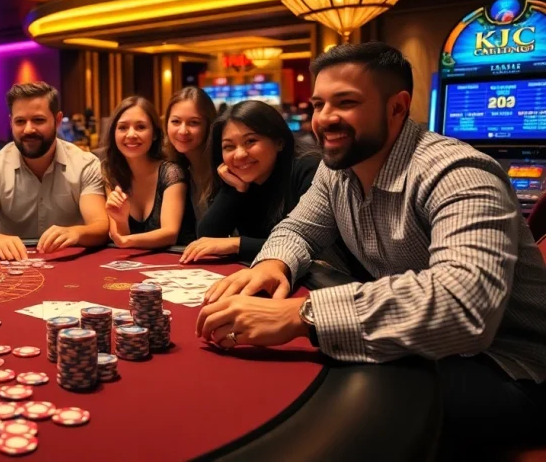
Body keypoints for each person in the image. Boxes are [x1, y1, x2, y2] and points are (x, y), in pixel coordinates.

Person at [194, 42, 546, 455]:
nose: (325, 118)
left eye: (346, 102)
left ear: (397, 107)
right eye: (319, 103)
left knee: (346, 425)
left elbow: (465, 304)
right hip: (425, 346)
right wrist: (273, 263)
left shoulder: (459, 173)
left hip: (511, 367)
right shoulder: (335, 171)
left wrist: (301, 315)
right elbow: (299, 229)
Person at [180, 100, 353, 267]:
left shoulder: (309, 169)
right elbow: (207, 239)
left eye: (250, 141)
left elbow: (311, 248)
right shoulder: (242, 180)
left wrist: (237, 244)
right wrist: (233, 189)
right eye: (229, 146)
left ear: (279, 142)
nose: (239, 154)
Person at [0, 81, 109, 260]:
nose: (28, 129)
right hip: (13, 266)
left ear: (58, 120)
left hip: (70, 264)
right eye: (20, 121)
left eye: (38, 120)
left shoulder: (85, 164)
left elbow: (100, 225)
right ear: (10, 122)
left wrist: (77, 232)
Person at [101, 96, 196, 249]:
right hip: (136, 262)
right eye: (123, 127)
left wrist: (127, 240)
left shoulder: (172, 172)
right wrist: (121, 220)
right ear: (113, 133)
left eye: (140, 127)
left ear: (155, 134)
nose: (131, 134)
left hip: (179, 262)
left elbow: (170, 234)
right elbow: (120, 238)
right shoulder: (111, 172)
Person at [163, 87, 218, 220]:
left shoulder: (224, 167)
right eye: (176, 121)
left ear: (209, 125)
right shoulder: (172, 168)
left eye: (194, 123)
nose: (183, 131)